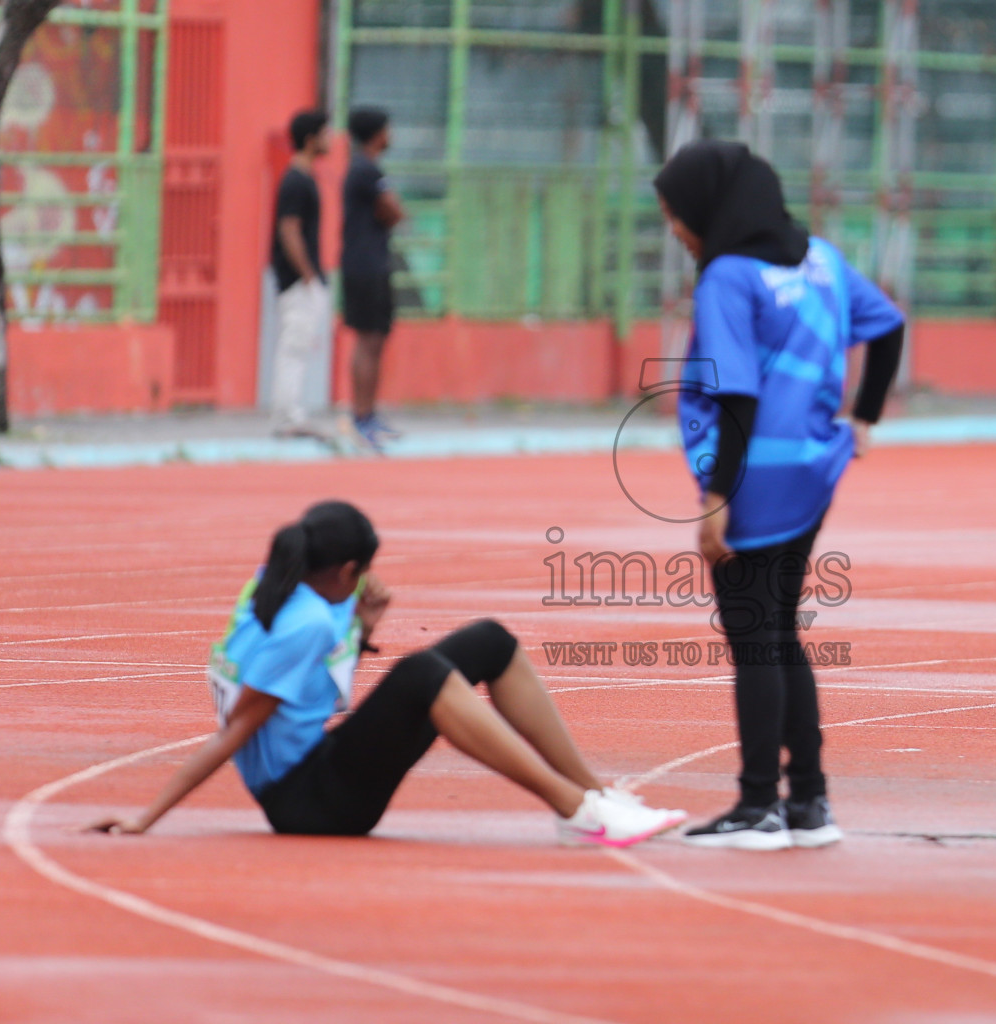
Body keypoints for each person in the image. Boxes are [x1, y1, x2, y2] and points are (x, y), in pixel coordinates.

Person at [88, 501, 687, 845]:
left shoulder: (271, 589)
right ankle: (576, 811)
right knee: (424, 675)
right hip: (310, 803)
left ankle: (592, 791)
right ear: (347, 570)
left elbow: (312, 684)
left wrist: (364, 629)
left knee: (490, 640)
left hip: (319, 768)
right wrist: (146, 818)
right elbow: (235, 734)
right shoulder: (308, 627)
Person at [653, 140, 904, 850]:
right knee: (779, 631)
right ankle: (809, 804)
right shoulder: (820, 259)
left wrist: (715, 498)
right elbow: (888, 326)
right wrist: (865, 417)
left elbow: (735, 392)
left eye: (675, 214)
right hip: (813, 470)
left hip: (755, 476)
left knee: (754, 639)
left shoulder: (729, 277)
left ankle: (759, 804)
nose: (674, 228)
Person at [341, 106, 405, 452]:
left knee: (376, 339)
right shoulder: (366, 170)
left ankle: (368, 414)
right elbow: (393, 210)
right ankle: (360, 416)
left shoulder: (366, 168)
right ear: (378, 133)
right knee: (367, 340)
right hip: (364, 265)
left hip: (372, 264)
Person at [268, 110, 331, 439]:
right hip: (297, 280)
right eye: (325, 132)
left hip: (302, 278)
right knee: (293, 347)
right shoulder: (295, 180)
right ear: (310, 140)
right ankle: (287, 416)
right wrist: (308, 275)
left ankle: (290, 412)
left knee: (300, 347)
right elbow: (289, 229)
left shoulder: (305, 178)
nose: (330, 139)